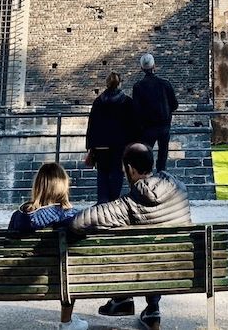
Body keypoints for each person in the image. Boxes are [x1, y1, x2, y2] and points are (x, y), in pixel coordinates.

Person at [69, 143, 191, 330]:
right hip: (177, 267)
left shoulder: (129, 204)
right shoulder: (179, 190)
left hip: (141, 269)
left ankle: (122, 297)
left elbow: (78, 223)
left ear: (131, 169)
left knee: (119, 238)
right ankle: (152, 309)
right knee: (153, 245)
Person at [8, 162, 87, 330]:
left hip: (19, 279)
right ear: (63, 186)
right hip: (61, 281)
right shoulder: (73, 217)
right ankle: (66, 322)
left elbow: (8, 245)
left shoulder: (19, 215)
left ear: (37, 186)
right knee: (71, 266)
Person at [85, 71, 136, 203]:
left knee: (102, 174)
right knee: (117, 173)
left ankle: (102, 202)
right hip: (119, 146)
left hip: (101, 146)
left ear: (107, 84)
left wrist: (91, 146)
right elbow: (132, 125)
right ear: (119, 84)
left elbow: (92, 125)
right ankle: (113, 202)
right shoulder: (127, 102)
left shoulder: (98, 102)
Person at [132, 53, 178, 172]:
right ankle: (161, 178)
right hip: (163, 126)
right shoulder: (165, 84)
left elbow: (136, 110)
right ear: (154, 66)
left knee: (146, 155)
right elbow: (174, 105)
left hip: (147, 128)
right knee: (163, 155)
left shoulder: (138, 87)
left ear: (142, 68)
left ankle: (147, 179)